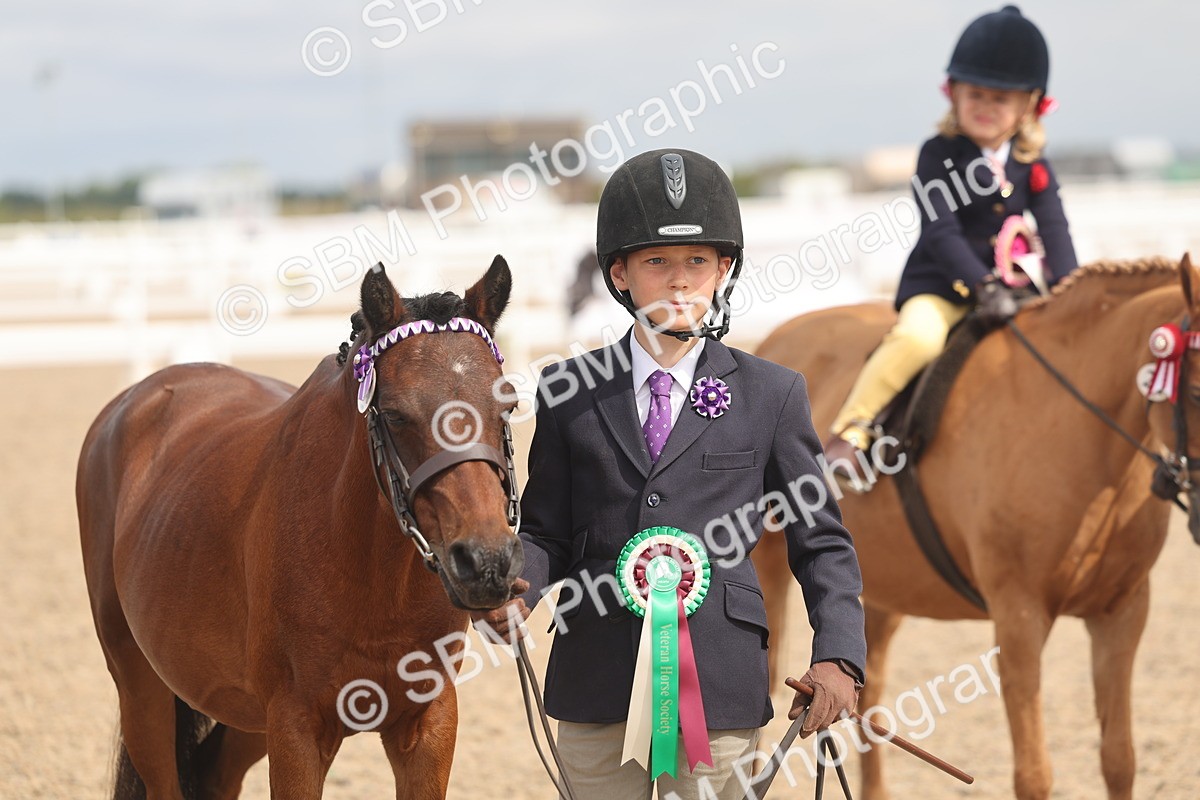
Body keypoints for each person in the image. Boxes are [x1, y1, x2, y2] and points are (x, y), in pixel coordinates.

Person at [474, 148, 866, 800]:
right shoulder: (571, 392)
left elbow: (821, 541)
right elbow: (545, 531)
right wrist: (519, 590)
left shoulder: (773, 395)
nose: (680, 282)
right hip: (595, 679)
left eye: (698, 263)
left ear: (724, 270)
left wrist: (840, 656)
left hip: (720, 684)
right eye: (657, 263)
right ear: (621, 274)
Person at [823, 4, 1078, 487]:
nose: (985, 105)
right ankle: (849, 433)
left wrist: (1070, 290)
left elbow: (1056, 228)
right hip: (943, 288)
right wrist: (982, 284)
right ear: (953, 94)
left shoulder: (1032, 162)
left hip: (1012, 290)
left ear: (1029, 106)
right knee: (917, 339)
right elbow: (939, 231)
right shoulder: (938, 155)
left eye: (1000, 98)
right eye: (974, 93)